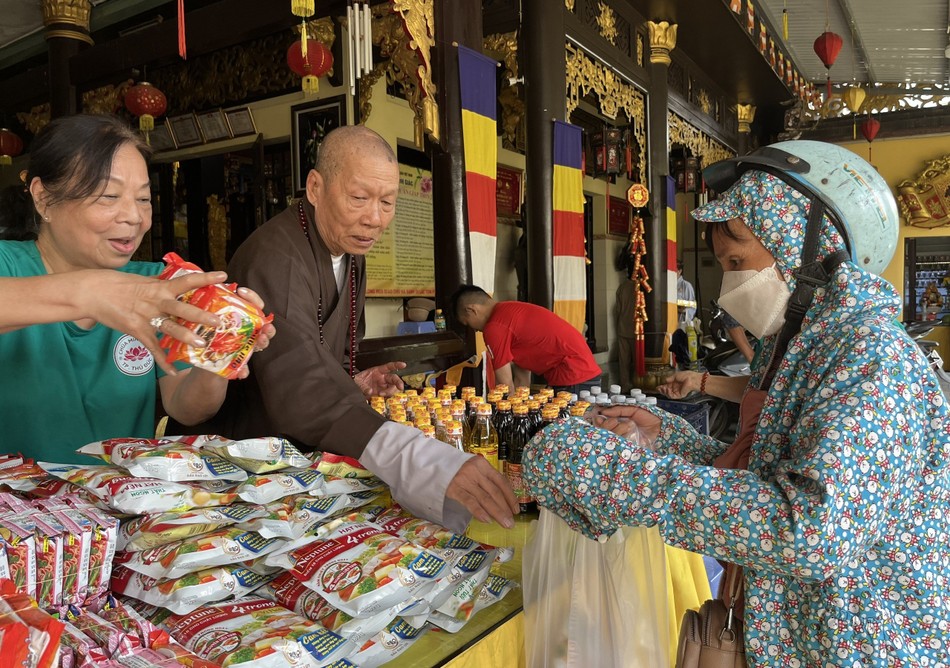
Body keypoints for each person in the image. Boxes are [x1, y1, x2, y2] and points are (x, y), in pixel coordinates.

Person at [524, 140, 949, 664]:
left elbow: (807, 531)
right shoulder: (796, 346)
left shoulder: (872, 359)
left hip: (857, 648)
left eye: (736, 258)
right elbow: (769, 474)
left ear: (806, 244)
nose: (728, 284)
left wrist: (616, 475)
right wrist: (667, 440)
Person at [187, 125, 517, 533]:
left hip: (303, 453)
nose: (374, 219)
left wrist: (354, 381)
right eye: (359, 198)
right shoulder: (276, 256)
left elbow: (326, 353)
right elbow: (297, 378)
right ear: (315, 187)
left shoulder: (347, 249)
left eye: (387, 203)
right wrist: (414, 457)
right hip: (254, 459)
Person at [0, 114, 275, 464]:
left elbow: (188, 409)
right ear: (43, 198)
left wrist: (216, 353)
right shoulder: (8, 264)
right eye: (108, 196)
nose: (133, 217)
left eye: (143, 199)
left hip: (122, 503)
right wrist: (90, 291)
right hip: (18, 508)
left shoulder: (158, 284)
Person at [452, 285, 603, 394]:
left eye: (467, 323)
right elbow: (521, 379)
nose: (474, 330)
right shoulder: (510, 311)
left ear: (471, 310)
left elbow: (504, 385)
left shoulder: (495, 326)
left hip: (573, 377)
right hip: (583, 374)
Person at [615, 273, 637, 393]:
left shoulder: (622, 287)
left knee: (623, 361)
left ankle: (624, 385)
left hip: (622, 328)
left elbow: (618, 310)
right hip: (636, 330)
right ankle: (637, 386)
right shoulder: (640, 286)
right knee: (637, 361)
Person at [676, 259, 696, 324]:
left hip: (681, 320)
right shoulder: (667, 284)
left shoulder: (686, 286)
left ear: (679, 271)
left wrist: (683, 310)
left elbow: (693, 305)